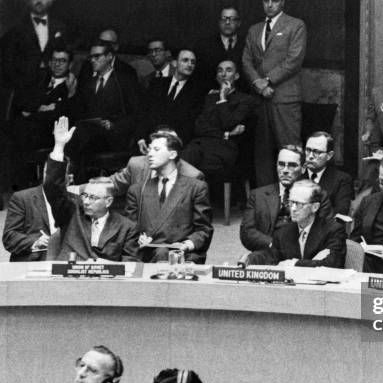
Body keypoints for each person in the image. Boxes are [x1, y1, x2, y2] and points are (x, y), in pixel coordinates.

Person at [43, 117, 139, 262]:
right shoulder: (70, 213)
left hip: (104, 282)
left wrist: (108, 265)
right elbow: (52, 186)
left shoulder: (126, 227)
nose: (86, 201)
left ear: (108, 201)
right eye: (85, 195)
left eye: (93, 198)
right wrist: (59, 145)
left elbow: (132, 264)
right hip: (67, 279)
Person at [242, 0, 307, 187]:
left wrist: (268, 80)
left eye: (275, 0)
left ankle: (295, 198)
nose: (270, 4)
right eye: (266, 1)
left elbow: (294, 60)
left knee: (290, 150)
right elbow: (246, 61)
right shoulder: (254, 29)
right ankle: (266, 201)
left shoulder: (295, 25)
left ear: (283, 2)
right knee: (262, 153)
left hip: (285, 99)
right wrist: (258, 84)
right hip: (260, 99)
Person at [125, 130, 213, 263]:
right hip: (147, 254)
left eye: (156, 149)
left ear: (172, 154)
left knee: (166, 255)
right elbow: (129, 228)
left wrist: (186, 245)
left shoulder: (196, 187)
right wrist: (138, 237)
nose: (150, 154)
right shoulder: (137, 190)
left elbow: (203, 229)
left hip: (183, 254)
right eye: (149, 150)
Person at [66, 41, 141, 183]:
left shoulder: (125, 81)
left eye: (97, 56)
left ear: (109, 56)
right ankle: (77, 183)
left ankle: (72, 182)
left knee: (79, 138)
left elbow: (136, 114)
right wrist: (71, 94)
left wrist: (114, 125)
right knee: (78, 135)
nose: (92, 60)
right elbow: (79, 113)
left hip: (115, 136)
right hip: (90, 134)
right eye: (91, 57)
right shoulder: (89, 83)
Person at [240, 145, 332, 252]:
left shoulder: (318, 196)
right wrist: (273, 245)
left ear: (303, 168)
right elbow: (247, 232)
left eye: (292, 165)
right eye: (281, 164)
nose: (285, 170)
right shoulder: (258, 195)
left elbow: (325, 232)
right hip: (267, 252)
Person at [180, 59, 254, 183]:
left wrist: (222, 98)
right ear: (216, 76)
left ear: (236, 76)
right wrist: (227, 134)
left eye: (228, 70)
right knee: (188, 155)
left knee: (186, 160)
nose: (223, 74)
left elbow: (228, 123)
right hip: (201, 145)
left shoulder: (245, 100)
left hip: (225, 149)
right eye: (220, 71)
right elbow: (199, 127)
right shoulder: (209, 98)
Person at [246, 180, 347, 267]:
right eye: (291, 203)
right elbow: (272, 258)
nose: (293, 209)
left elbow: (332, 263)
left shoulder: (334, 230)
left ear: (315, 207)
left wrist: (294, 263)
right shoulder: (283, 233)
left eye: (299, 204)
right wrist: (250, 258)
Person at [136, 49, 204, 150]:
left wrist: (170, 142)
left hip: (174, 144)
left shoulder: (197, 93)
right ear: (175, 63)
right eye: (185, 60)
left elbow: (190, 123)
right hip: (148, 141)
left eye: (192, 62)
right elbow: (144, 112)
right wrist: (140, 138)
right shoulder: (157, 84)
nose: (189, 64)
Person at [1, 0, 68, 88]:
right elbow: (6, 60)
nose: (39, 1)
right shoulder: (15, 28)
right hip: (22, 89)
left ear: (50, 1)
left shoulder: (61, 27)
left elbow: (66, 56)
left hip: (51, 87)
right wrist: (19, 83)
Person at [2, 173, 58, 262]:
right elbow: (9, 237)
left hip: (65, 260)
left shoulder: (75, 199)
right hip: (33, 261)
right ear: (44, 173)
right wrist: (35, 241)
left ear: (69, 177)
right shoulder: (22, 198)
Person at [196, 6, 246, 92]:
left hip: (242, 97)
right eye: (223, 19)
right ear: (219, 22)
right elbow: (199, 76)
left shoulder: (247, 44)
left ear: (239, 23)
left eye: (232, 19)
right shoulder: (204, 45)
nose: (227, 22)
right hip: (211, 96)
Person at [302, 131, 353, 216]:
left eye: (317, 152)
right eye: (308, 150)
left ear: (329, 155)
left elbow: (340, 214)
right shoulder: (297, 176)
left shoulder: (342, 180)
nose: (310, 156)